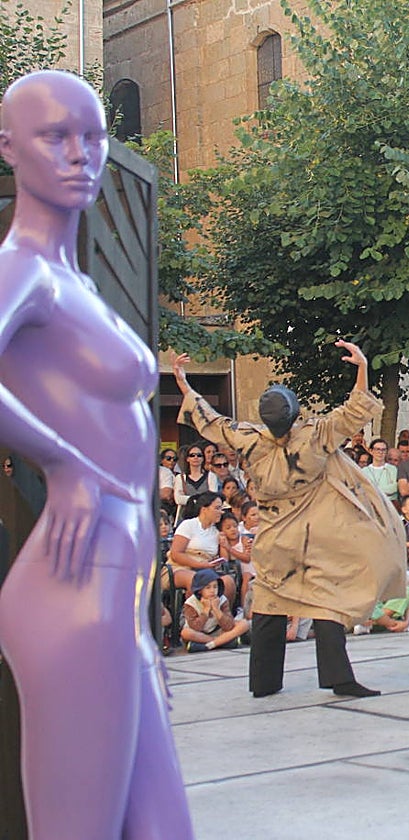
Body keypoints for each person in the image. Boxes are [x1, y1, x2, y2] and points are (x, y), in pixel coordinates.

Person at [0, 69, 194, 838]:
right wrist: (62, 461)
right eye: (56, 136)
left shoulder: (72, 283)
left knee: (161, 827)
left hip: (120, 581)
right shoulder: (21, 271)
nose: (81, 154)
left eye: (94, 136)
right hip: (75, 576)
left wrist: (141, 633)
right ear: (10, 148)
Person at [173, 340, 406, 699]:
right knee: (326, 603)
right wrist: (361, 367)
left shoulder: (248, 440)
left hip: (273, 541)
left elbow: (212, 424)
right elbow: (353, 413)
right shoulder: (313, 439)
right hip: (314, 540)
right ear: (296, 414)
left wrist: (184, 384)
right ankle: (338, 678)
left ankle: (264, 683)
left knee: (269, 607)